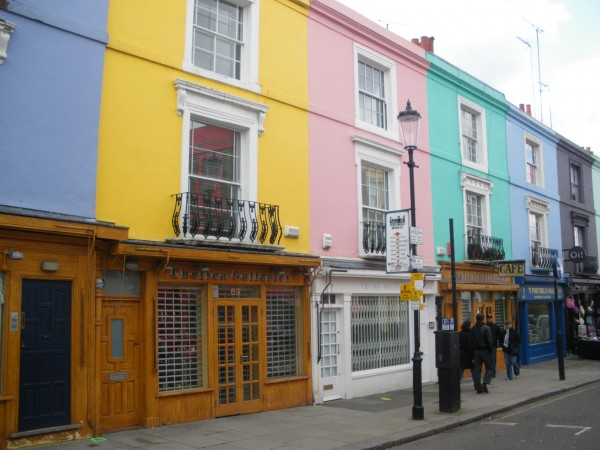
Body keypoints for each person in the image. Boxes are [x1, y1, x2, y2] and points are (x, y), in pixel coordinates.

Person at [470, 313, 493, 393]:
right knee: (490, 368)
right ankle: (485, 383)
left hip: (476, 352)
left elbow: (471, 342)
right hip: (485, 351)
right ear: (483, 319)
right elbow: (489, 340)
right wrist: (490, 350)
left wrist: (472, 353)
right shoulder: (486, 328)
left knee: (477, 370)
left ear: (476, 319)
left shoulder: (473, 329)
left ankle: (478, 387)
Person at [486, 313, 501, 379]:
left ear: (492, 318)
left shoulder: (496, 326)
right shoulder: (485, 326)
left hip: (493, 346)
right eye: (488, 318)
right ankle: (489, 372)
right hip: (486, 346)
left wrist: (495, 339)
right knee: (487, 360)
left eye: (490, 318)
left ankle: (493, 373)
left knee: (493, 360)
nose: (489, 319)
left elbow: (499, 335)